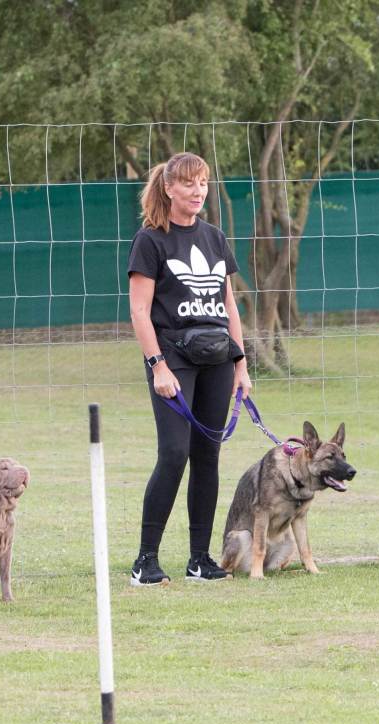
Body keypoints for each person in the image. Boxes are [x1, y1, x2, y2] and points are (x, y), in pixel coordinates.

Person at [126, 151, 253, 586]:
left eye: (203, 183)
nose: (198, 191)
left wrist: (240, 363)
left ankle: (200, 559)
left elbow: (228, 304)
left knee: (207, 455)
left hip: (218, 357)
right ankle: (145, 560)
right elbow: (140, 312)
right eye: (188, 183)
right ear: (168, 188)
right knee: (174, 453)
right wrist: (158, 366)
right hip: (173, 358)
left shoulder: (214, 237)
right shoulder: (150, 240)